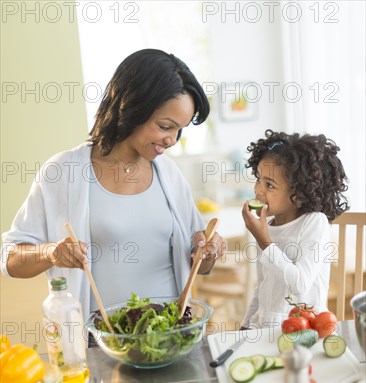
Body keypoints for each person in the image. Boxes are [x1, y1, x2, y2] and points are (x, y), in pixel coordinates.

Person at [1, 49, 225, 322]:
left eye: (180, 129)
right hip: (101, 341)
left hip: (172, 331)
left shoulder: (169, 173)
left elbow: (198, 265)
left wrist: (209, 251)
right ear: (132, 108)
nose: (172, 140)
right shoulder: (63, 172)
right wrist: (50, 253)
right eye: (165, 126)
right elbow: (10, 259)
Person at [240, 129, 349, 329]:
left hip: (305, 328)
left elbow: (299, 285)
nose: (258, 189)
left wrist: (265, 242)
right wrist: (245, 326)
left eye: (269, 185)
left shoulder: (314, 223)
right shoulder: (266, 227)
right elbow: (262, 287)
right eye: (258, 179)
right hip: (266, 328)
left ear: (299, 194)